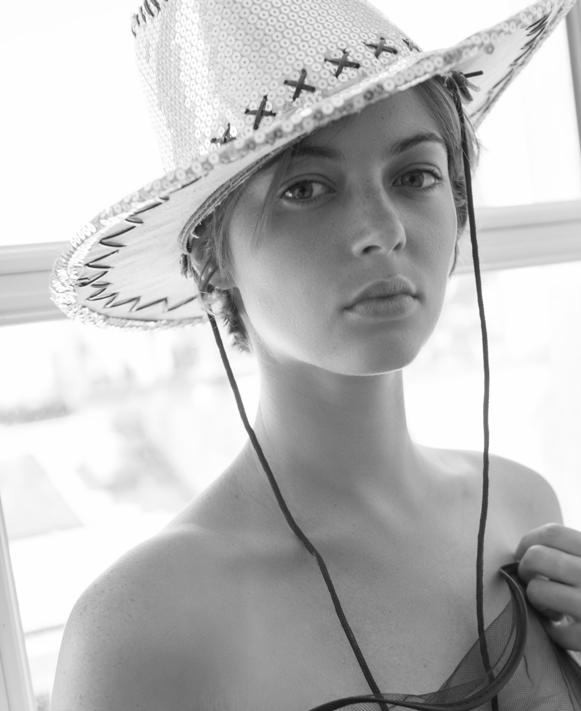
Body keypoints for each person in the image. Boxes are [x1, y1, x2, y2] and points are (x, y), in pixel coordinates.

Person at [49, 0, 581, 708]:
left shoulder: (522, 510)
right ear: (211, 259)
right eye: (306, 189)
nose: (382, 229)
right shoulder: (140, 627)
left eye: (415, 176)